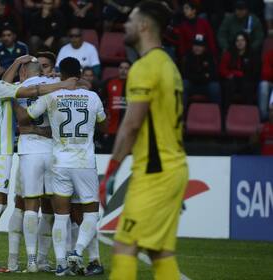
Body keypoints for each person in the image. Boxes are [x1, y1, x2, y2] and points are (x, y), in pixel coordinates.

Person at [99, 2, 188, 280]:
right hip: (172, 168)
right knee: (159, 251)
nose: (125, 24)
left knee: (125, 244)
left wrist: (111, 171)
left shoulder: (144, 67)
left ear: (144, 26)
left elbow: (131, 124)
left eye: (130, 19)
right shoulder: (168, 65)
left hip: (155, 172)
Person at [0, 48, 77, 273]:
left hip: (0, 149)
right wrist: (62, 85)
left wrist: (18, 61)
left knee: (2, 204)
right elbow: (33, 90)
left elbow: (7, 81)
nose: (1, 63)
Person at [14, 57, 106, 276]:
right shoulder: (92, 97)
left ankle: (62, 264)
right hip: (84, 162)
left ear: (59, 74)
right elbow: (104, 124)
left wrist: (14, 102)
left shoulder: (52, 95)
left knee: (61, 215)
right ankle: (79, 251)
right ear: (81, 73)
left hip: (59, 162)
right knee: (91, 211)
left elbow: (28, 117)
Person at [2, 57, 56, 273]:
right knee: (51, 206)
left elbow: (3, 85)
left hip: (28, 151)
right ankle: (43, 259)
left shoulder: (16, 88)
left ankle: (24, 261)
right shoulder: (54, 86)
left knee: (24, 204)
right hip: (52, 150)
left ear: (23, 71)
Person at [219, 32, 260, 108]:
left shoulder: (253, 54)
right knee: (228, 85)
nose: (240, 43)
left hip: (247, 80)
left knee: (248, 87)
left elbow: (255, 71)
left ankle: (248, 113)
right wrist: (230, 74)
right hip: (232, 79)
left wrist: (243, 76)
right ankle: (226, 113)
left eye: (242, 40)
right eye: (237, 41)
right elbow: (222, 69)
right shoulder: (229, 53)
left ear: (246, 42)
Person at [182, 34, 221, 108]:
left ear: (204, 47)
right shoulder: (188, 56)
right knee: (184, 84)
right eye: (195, 45)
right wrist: (204, 76)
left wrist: (198, 76)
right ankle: (181, 116)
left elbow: (213, 74)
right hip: (192, 85)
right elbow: (186, 74)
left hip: (206, 86)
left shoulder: (209, 57)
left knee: (215, 87)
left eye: (200, 46)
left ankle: (217, 114)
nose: (197, 48)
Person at [100, 61, 130, 152]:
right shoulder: (109, 83)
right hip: (112, 129)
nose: (123, 71)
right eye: (121, 68)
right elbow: (101, 102)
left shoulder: (135, 84)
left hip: (128, 131)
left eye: (126, 68)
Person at [258, 50, 273, 121]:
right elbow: (265, 73)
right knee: (263, 84)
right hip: (270, 83)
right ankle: (264, 116)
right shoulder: (270, 55)